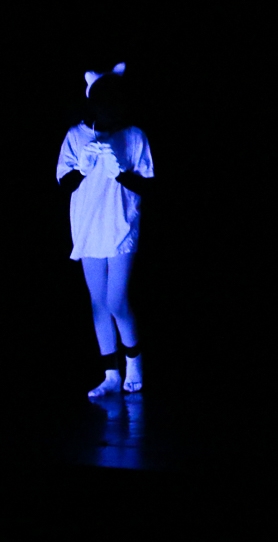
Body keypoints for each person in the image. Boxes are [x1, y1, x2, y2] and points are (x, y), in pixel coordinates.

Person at [56, 63, 154, 398]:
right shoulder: (75, 136)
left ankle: (134, 365)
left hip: (121, 224)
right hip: (88, 226)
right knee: (99, 302)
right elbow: (64, 182)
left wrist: (121, 173)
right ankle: (111, 375)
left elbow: (148, 184)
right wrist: (83, 168)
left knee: (116, 300)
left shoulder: (135, 135)